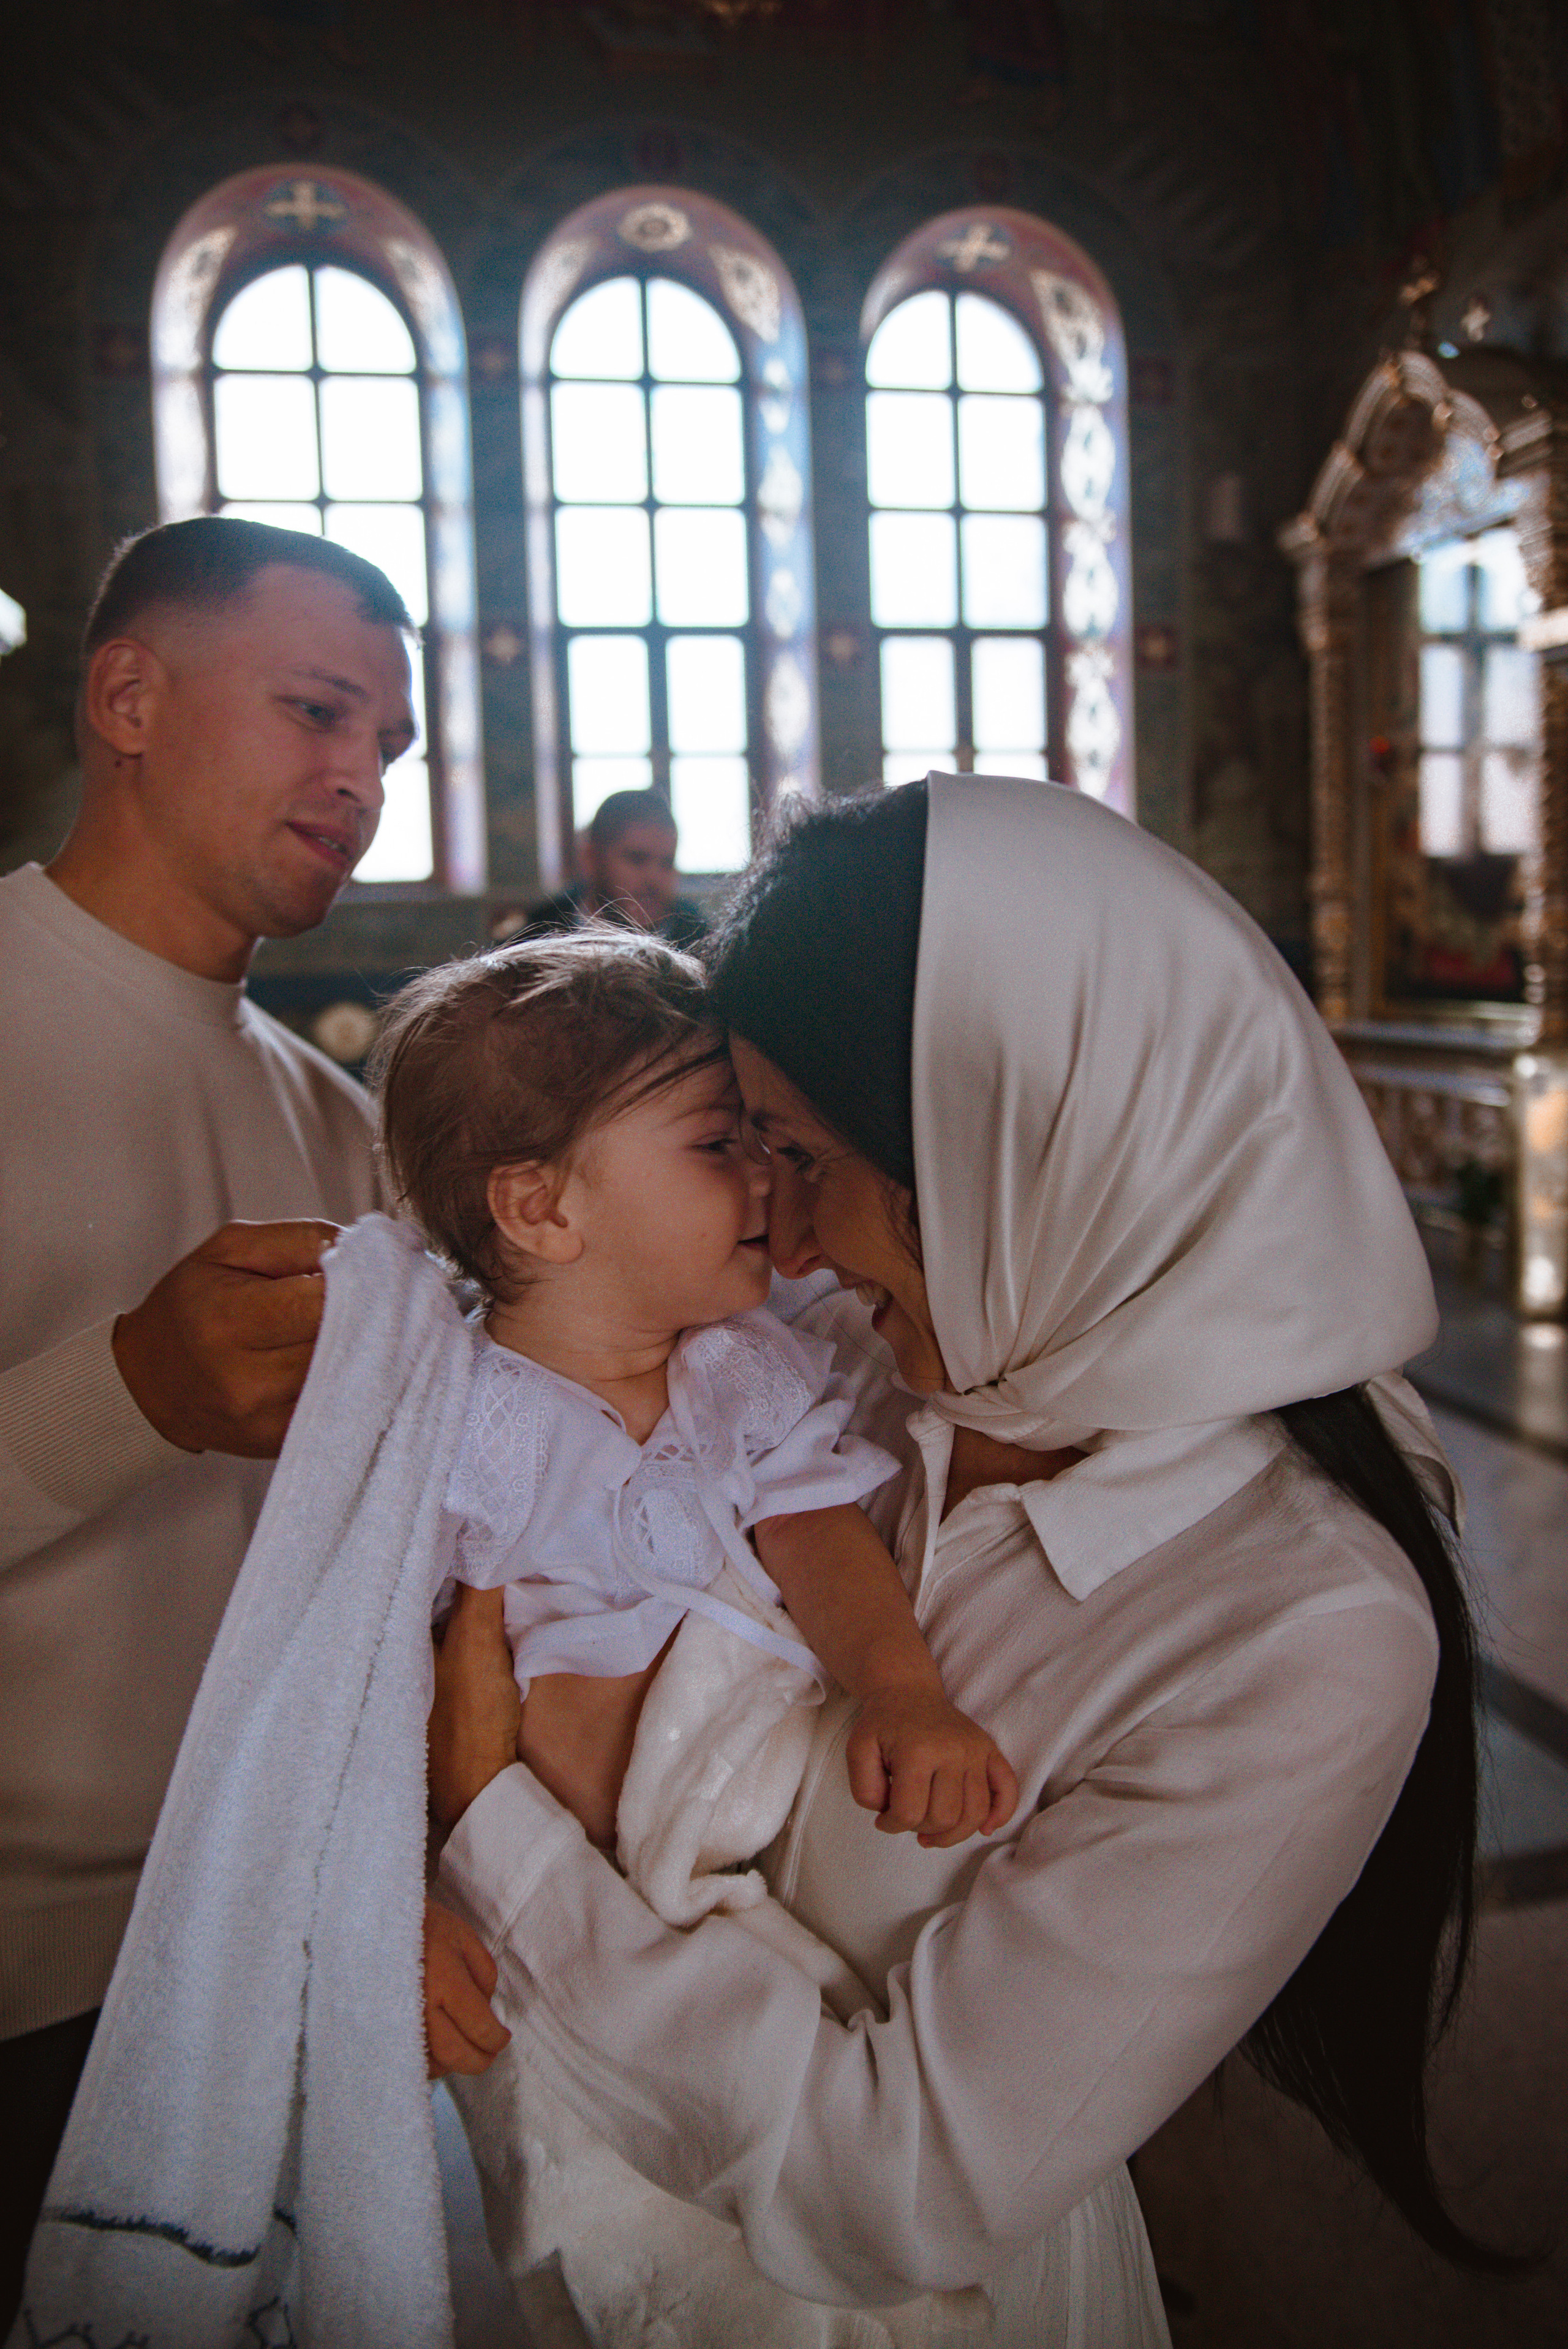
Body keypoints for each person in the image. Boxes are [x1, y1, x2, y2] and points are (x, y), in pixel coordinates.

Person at [425, 773, 1502, 2345]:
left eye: (797, 1153)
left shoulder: (1300, 1630)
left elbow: (889, 2185)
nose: (780, 1243)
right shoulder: (840, 1364)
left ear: (1008, 1153)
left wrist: (487, 1827)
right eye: (747, 1151)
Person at [0, 513, 417, 2323]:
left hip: (273, 1947)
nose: (361, 780)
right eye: (319, 712)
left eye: (389, 749)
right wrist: (129, 1393)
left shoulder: (338, 1122)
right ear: (129, 697)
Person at [374, 930, 1017, 1853]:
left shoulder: (743, 1368)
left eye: (763, 1139)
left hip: (740, 1854)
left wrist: (901, 1691)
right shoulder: (457, 1421)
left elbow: (815, 1529)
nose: (765, 1175)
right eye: (718, 1142)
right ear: (542, 1209)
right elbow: (369, 1668)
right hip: (526, 1882)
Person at [516, 787, 707, 948]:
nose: (653, 877)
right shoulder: (536, 941)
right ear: (591, 858)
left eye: (667, 863)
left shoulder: (701, 943)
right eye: (637, 859)